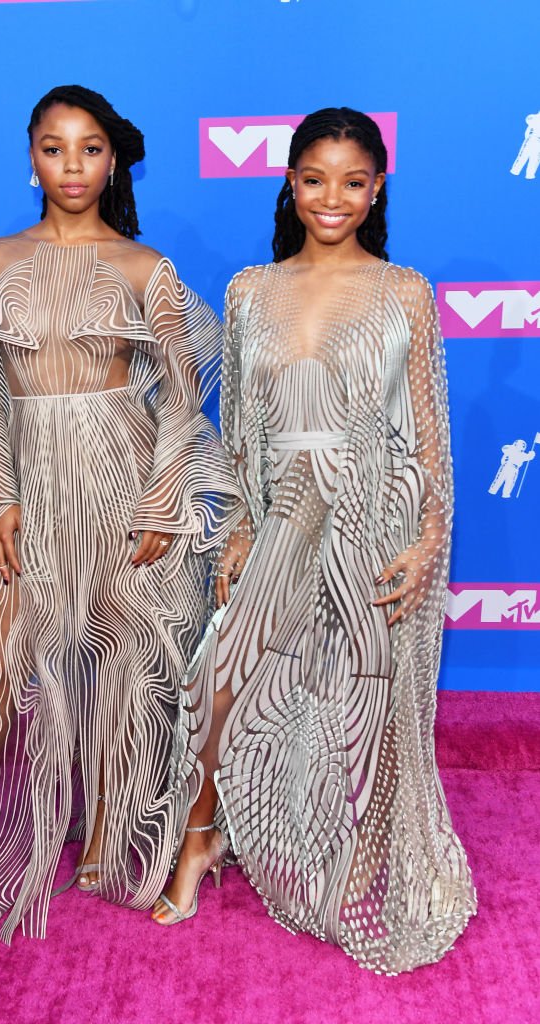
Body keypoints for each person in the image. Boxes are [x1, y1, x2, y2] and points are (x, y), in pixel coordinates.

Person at [0, 85, 243, 942]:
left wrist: (165, 500)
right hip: (30, 491)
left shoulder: (146, 269)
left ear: (113, 159)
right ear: (30, 157)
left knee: (121, 672)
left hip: (125, 492)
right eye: (54, 148)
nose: (72, 166)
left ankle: (103, 833)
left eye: (89, 149)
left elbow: (182, 400)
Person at [152, 108, 477, 974]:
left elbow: (428, 435)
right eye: (313, 178)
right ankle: (201, 840)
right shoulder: (250, 291)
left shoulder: (404, 290)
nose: (331, 198)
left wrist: (428, 536)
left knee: (357, 706)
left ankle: (353, 859)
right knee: (219, 683)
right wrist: (243, 528)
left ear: (376, 192)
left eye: (353, 182)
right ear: (289, 183)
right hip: (286, 518)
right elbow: (241, 431)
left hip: (374, 516)